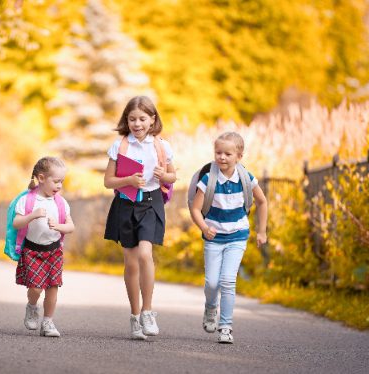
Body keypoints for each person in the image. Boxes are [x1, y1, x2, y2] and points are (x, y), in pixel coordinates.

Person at [103, 96, 177, 340]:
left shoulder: (161, 146)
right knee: (131, 262)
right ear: (126, 120)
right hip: (125, 204)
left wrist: (164, 175)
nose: (137, 124)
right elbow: (108, 181)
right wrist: (129, 181)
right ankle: (135, 317)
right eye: (132, 119)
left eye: (142, 119)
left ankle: (148, 311)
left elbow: (173, 177)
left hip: (150, 202)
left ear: (152, 120)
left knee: (146, 254)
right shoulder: (120, 145)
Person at [189, 132, 268, 344]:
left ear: (239, 156)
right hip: (213, 237)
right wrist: (204, 227)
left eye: (228, 153)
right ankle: (210, 306)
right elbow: (195, 209)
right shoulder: (209, 179)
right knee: (212, 283)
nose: (222, 157)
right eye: (218, 152)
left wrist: (262, 231)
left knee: (227, 281)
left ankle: (226, 326)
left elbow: (262, 202)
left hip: (237, 236)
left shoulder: (246, 179)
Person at [14, 156, 75, 337]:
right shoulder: (27, 200)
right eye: (56, 181)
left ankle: (48, 322)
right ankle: (32, 306)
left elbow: (71, 227)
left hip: (54, 250)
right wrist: (32, 215)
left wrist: (59, 226)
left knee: (53, 287)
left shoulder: (61, 203)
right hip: (33, 250)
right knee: (36, 288)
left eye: (61, 182)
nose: (59, 186)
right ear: (41, 178)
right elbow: (16, 223)